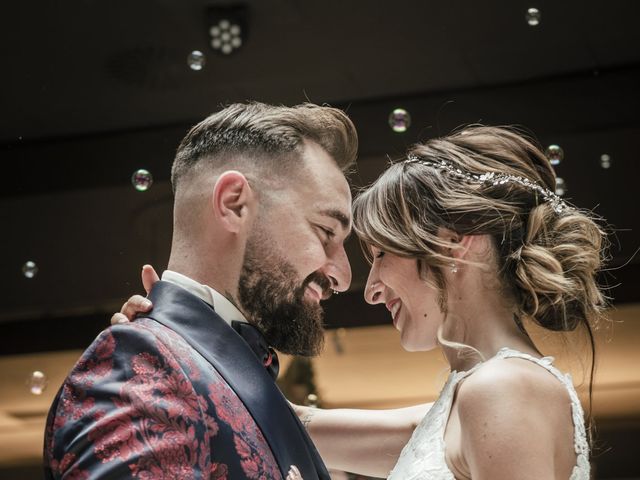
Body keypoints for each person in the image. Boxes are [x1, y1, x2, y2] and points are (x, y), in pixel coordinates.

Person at [117, 125, 607, 479]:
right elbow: (272, 419)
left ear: (460, 242)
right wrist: (175, 345)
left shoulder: (502, 391)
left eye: (381, 255)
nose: (369, 289)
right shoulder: (460, 404)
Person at [45, 101, 374, 479]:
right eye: (325, 231)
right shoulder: (140, 371)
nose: (344, 276)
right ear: (234, 204)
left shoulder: (231, 380)